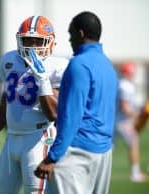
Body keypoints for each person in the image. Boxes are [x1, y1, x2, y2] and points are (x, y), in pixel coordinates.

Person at [0, 15, 68, 193]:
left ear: (50, 43)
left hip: (38, 139)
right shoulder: (8, 61)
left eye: (37, 41)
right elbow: (4, 107)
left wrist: (43, 79)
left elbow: (54, 113)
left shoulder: (57, 66)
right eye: (27, 40)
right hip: (11, 140)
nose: (31, 46)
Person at [34, 11, 118, 194]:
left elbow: (70, 116)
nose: (70, 40)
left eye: (71, 34)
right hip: (104, 153)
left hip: (77, 152)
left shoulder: (78, 64)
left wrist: (52, 158)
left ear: (80, 33)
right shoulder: (108, 65)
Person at [115, 62, 148, 182]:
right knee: (134, 143)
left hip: (117, 121)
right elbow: (124, 107)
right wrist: (137, 114)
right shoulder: (126, 86)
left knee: (109, 147)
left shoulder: (122, 84)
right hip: (123, 122)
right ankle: (135, 174)